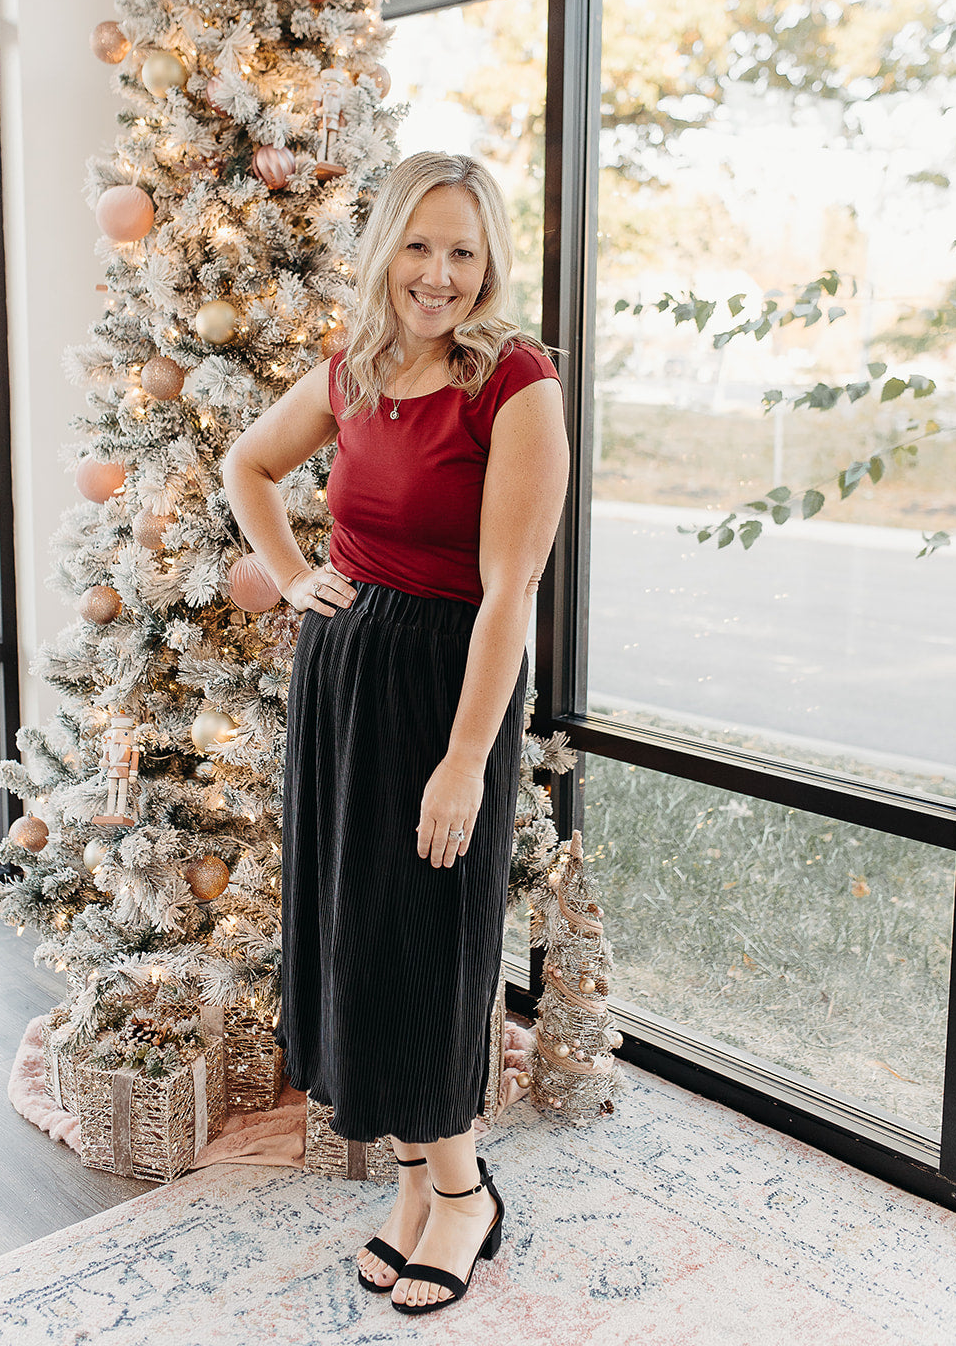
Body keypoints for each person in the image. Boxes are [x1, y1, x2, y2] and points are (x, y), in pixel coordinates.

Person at [222, 151, 568, 1314]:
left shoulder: (512, 381)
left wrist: (466, 761)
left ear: (489, 261)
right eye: (418, 246)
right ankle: (418, 1184)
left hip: (443, 690)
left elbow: (509, 593)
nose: (438, 274)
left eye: (461, 251)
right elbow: (248, 465)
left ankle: (464, 1192)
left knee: (430, 935)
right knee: (357, 930)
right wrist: (291, 571)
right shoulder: (354, 367)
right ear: (384, 252)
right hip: (343, 681)